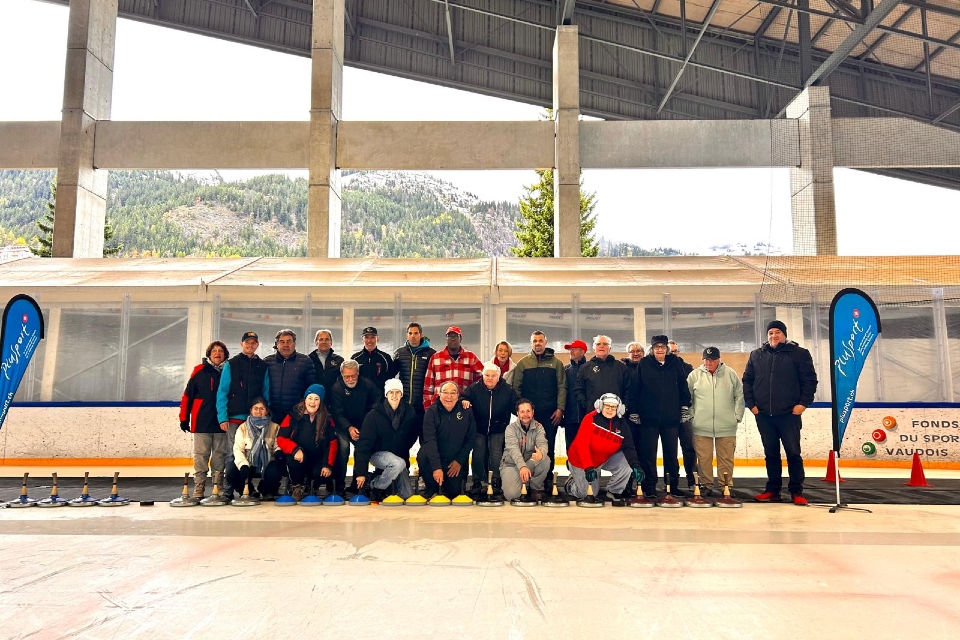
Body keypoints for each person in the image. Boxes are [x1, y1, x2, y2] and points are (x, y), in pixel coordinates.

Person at [742, 320, 818, 506]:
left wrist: (802, 404)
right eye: (770, 333)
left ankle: (796, 491)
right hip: (764, 415)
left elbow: (810, 381)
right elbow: (747, 381)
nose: (773, 336)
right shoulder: (756, 355)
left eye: (777, 332)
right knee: (771, 454)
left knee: (793, 453)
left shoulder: (799, 354)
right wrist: (752, 405)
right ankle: (773, 490)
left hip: (788, 415)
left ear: (784, 334)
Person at [627, 335, 691, 498]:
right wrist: (634, 411)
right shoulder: (644, 364)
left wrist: (684, 406)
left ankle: (672, 485)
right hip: (648, 418)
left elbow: (683, 386)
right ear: (652, 349)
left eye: (662, 347)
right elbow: (635, 388)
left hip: (671, 418)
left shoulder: (675, 364)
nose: (660, 350)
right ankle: (650, 486)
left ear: (667, 349)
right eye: (656, 347)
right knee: (649, 454)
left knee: (671, 453)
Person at [217, 331, 269, 498]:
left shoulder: (263, 366)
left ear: (257, 345)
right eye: (247, 342)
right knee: (233, 454)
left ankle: (248, 488)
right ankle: (228, 490)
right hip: (234, 418)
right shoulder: (231, 364)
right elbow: (222, 392)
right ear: (241, 344)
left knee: (254, 454)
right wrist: (222, 417)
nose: (250, 345)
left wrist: (265, 414)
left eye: (253, 343)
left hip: (256, 420)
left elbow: (265, 392)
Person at [511, 330, 565, 490]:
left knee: (548, 446)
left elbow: (562, 386)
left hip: (550, 414)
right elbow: (516, 388)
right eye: (535, 341)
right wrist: (520, 412)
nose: (538, 343)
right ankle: (527, 480)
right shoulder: (523, 363)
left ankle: (548, 481)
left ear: (545, 342)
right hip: (528, 417)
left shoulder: (556, 363)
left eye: (540, 340)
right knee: (527, 447)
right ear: (531, 343)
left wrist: (560, 408)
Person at [565, 393, 642, 502]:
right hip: (581, 461)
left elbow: (629, 448)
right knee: (586, 493)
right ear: (600, 406)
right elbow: (582, 445)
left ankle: (614, 491)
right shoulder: (590, 419)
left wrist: (636, 466)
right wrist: (588, 467)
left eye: (613, 407)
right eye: (607, 406)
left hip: (603, 459)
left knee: (627, 463)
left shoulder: (622, 424)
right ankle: (571, 483)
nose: (610, 410)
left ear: (619, 409)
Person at [688, 347, 744, 496]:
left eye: (712, 359)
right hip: (701, 425)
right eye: (706, 359)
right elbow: (688, 399)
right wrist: (692, 417)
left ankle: (725, 485)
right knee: (704, 459)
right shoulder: (694, 375)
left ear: (719, 359)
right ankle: (706, 485)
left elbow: (739, 396)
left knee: (725, 458)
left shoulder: (730, 374)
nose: (709, 362)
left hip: (726, 425)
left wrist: (737, 417)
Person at [180, 341, 229, 498]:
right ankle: (199, 486)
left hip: (222, 422)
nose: (217, 353)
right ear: (209, 354)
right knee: (201, 455)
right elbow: (188, 396)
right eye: (214, 351)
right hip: (201, 421)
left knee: (220, 455)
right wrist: (184, 418)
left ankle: (218, 485)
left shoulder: (229, 371)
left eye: (220, 351)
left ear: (225, 354)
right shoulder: (199, 371)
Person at [354, 379, 418, 501]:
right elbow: (363, 444)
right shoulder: (374, 415)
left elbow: (412, 435)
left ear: (401, 394)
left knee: (406, 494)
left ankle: (385, 484)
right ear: (386, 394)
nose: (394, 396)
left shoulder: (409, 412)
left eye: (397, 392)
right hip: (377, 454)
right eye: (391, 392)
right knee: (397, 463)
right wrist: (361, 473)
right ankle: (375, 485)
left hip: (399, 456)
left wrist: (403, 448)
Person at [462, 363, 519, 495]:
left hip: (499, 427)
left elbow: (516, 404)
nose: (490, 378)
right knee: (478, 454)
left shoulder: (507, 389)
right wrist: (464, 400)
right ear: (483, 375)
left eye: (493, 376)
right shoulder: (475, 388)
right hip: (479, 428)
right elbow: (464, 397)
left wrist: (522, 414)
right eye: (487, 375)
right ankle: (477, 481)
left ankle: (495, 479)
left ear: (498, 377)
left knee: (496, 454)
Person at [276, 384, 337, 501]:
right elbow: (281, 438)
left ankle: (311, 485)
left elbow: (332, 443)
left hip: (317, 458)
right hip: (299, 456)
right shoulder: (292, 415)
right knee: (292, 461)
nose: (312, 402)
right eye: (310, 398)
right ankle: (297, 486)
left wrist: (327, 465)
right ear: (305, 399)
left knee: (320, 473)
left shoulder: (327, 419)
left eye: (316, 399)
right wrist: (295, 449)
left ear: (321, 402)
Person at [329, 359, 381, 494]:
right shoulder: (336, 388)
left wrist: (367, 425)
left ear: (358, 373)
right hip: (343, 425)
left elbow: (378, 401)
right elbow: (337, 413)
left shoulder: (368, 385)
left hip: (364, 424)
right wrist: (349, 427)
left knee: (361, 450)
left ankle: (357, 485)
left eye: (353, 375)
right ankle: (338, 487)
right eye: (347, 376)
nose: (350, 379)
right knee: (343, 449)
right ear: (342, 375)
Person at [417, 381, 477, 499]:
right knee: (423, 455)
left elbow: (471, 438)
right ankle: (431, 487)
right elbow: (430, 441)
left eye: (453, 393)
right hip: (437, 457)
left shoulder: (466, 411)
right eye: (445, 392)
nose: (449, 396)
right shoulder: (431, 412)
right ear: (439, 394)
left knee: (454, 493)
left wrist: (459, 461)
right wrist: (436, 467)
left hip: (455, 461)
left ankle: (447, 486)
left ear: (458, 395)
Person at [227, 397, 284, 499]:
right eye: (256, 408)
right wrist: (243, 465)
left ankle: (266, 490)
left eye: (262, 408)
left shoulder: (275, 427)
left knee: (277, 468)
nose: (259, 411)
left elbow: (276, 445)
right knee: (231, 471)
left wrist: (278, 452)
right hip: (248, 462)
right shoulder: (242, 428)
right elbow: (238, 449)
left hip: (267, 462)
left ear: (266, 411)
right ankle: (248, 490)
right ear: (251, 410)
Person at [391, 322, 436, 446]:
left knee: (425, 441)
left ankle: (425, 465)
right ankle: (402, 466)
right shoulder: (399, 353)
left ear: (421, 335)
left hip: (423, 407)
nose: (413, 336)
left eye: (416, 333)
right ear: (407, 335)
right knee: (403, 441)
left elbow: (435, 379)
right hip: (405, 406)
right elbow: (391, 375)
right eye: (410, 333)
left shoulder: (431, 354)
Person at [264, 329, 316, 427]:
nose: (285, 345)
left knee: (291, 441)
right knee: (271, 441)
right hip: (271, 414)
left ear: (294, 343)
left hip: (296, 415)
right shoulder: (267, 362)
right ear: (277, 344)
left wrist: (304, 408)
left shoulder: (305, 361)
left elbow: (311, 387)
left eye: (289, 341)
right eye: (282, 342)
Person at [499, 398, 550, 501]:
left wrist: (541, 453)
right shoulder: (510, 429)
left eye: (528, 411)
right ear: (517, 413)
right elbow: (513, 449)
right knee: (512, 495)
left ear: (533, 412)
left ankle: (535, 488)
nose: (525, 414)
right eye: (522, 411)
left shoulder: (539, 427)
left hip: (529, 463)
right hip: (511, 464)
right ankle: (520, 483)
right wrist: (522, 466)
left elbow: (543, 444)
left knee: (545, 460)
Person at [422, 326, 483, 408]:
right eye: (450, 336)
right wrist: (428, 408)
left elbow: (482, 381)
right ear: (446, 339)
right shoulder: (435, 358)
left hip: (463, 406)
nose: (453, 339)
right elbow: (428, 386)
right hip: (439, 407)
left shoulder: (471, 357)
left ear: (461, 338)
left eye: (456, 336)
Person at [574, 334, 629, 417]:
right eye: (598, 344)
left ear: (610, 348)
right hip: (593, 414)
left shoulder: (621, 367)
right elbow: (579, 389)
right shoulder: (585, 368)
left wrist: (623, 406)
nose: (601, 346)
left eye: (605, 344)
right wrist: (588, 405)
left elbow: (628, 389)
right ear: (594, 348)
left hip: (616, 414)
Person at [669, 340, 699, 489]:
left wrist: (688, 409)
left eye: (675, 351)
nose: (673, 353)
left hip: (685, 415)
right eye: (670, 351)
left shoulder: (688, 368)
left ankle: (692, 480)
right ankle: (672, 481)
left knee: (689, 448)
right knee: (671, 450)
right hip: (669, 416)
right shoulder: (662, 368)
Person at [562, 339, 589, 450]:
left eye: (574, 349)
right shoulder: (565, 371)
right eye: (570, 350)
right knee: (571, 449)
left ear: (582, 352)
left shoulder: (590, 369)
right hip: (570, 418)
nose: (571, 352)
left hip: (587, 418)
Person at [308, 329, 344, 400]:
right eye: (321, 339)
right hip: (314, 398)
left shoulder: (339, 360)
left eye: (327, 339)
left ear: (331, 342)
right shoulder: (308, 360)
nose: (324, 342)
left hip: (334, 398)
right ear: (316, 342)